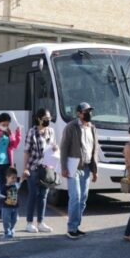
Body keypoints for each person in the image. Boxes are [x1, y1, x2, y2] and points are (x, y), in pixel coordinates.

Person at [60, 102, 99, 239]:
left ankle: (76, 226)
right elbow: (63, 148)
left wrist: (95, 170)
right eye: (86, 111)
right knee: (75, 197)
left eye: (90, 111)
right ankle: (71, 228)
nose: (89, 113)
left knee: (83, 199)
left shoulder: (92, 128)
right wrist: (64, 167)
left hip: (87, 167)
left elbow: (94, 150)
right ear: (79, 113)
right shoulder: (71, 127)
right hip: (74, 166)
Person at [22, 108, 56, 233]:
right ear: (38, 119)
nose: (47, 121)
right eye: (45, 119)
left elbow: (53, 147)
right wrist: (25, 168)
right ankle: (29, 223)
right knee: (33, 195)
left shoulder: (51, 131)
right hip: (34, 167)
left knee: (43, 195)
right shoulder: (32, 132)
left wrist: (55, 148)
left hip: (47, 168)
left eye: (49, 119)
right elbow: (26, 151)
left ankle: (41, 222)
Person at [0, 167, 22, 239]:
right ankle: (7, 232)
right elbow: (1, 196)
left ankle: (11, 228)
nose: (14, 180)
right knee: (6, 221)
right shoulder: (4, 187)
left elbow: (20, 183)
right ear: (7, 177)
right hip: (6, 207)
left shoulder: (15, 185)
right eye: (12, 178)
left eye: (15, 178)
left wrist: (23, 178)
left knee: (14, 219)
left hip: (15, 207)